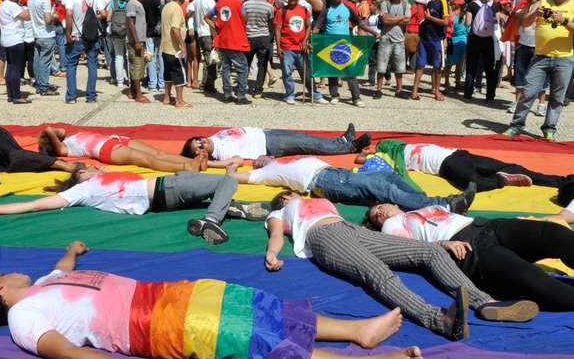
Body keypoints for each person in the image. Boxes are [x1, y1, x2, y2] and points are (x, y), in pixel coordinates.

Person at [0, 242, 425, 359]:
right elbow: (64, 354)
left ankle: (358, 330)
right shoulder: (21, 320)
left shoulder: (43, 285)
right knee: (247, 338)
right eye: (3, 274)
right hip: (147, 323)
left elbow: (62, 270)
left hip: (162, 294)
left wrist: (71, 251)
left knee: (255, 306)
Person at [264, 194, 538, 340]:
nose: (294, 193)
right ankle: (440, 320)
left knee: (430, 251)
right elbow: (277, 234)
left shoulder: (317, 200)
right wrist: (272, 254)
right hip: (325, 237)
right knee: (378, 274)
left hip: (351, 231)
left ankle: (485, 302)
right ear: (284, 199)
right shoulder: (279, 212)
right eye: (288, 193)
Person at [365, 203, 574, 310]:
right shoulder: (391, 225)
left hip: (488, 226)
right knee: (533, 277)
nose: (378, 212)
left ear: (394, 204)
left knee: (555, 234)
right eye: (375, 215)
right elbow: (406, 248)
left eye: (379, 206)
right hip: (467, 248)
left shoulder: (421, 207)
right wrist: (442, 244)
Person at [0, 166, 257, 244]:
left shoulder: (89, 188)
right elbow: (35, 205)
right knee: (228, 181)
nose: (95, 167)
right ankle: (213, 219)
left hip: (163, 199)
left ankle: (228, 209)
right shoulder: (83, 189)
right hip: (166, 186)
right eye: (88, 168)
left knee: (218, 187)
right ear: (80, 177)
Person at [226, 155, 475, 213]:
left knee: (390, 178)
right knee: (384, 190)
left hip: (334, 173)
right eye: (257, 160)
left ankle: (424, 204)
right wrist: (232, 164)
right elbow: (232, 177)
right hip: (324, 182)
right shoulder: (265, 173)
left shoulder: (282, 159)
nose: (261, 158)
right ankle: (444, 206)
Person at [356, 139, 568, 193]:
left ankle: (500, 180)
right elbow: (365, 159)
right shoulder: (403, 148)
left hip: (448, 163)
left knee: (472, 184)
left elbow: (362, 162)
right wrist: (368, 153)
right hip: (457, 154)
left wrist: (366, 154)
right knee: (510, 165)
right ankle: (560, 182)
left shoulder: (393, 155)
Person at [506, 0, 574, 141]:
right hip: (541, 57)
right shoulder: (544, 2)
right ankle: (516, 126)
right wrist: (534, 13)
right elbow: (525, 23)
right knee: (528, 92)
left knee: (557, 98)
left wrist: (563, 20)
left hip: (564, 58)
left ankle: (549, 129)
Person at [180, 124, 371, 166]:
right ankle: (349, 146)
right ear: (201, 154)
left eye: (198, 141)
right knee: (308, 143)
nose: (201, 143)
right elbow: (237, 161)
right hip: (269, 144)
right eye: (199, 148)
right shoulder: (221, 153)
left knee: (306, 137)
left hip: (266, 134)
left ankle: (342, 141)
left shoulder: (214, 137)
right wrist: (209, 163)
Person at [38, 127, 204, 173]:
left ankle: (194, 162)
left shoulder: (69, 138)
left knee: (159, 153)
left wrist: (48, 138)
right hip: (106, 150)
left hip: (115, 140)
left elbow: (59, 131)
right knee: (149, 160)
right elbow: (49, 129)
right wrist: (45, 139)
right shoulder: (64, 149)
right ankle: (186, 167)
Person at [313, 0, 374, 106]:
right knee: (333, 71)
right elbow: (317, 27)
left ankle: (356, 98)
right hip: (330, 44)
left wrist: (373, 32)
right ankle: (334, 95)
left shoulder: (348, 8)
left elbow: (360, 23)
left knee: (350, 72)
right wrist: (311, 40)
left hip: (345, 45)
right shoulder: (326, 10)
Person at [275, 0, 324, 105]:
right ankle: (289, 95)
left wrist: (305, 41)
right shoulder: (282, 11)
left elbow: (308, 27)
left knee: (307, 73)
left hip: (301, 47)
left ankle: (315, 94)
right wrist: (278, 47)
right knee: (287, 73)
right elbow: (277, 29)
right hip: (286, 47)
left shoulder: (304, 10)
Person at [205, 0, 251, 104]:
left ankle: (227, 94)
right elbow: (246, 19)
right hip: (236, 40)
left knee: (225, 67)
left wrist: (216, 27)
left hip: (223, 41)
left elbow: (206, 17)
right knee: (242, 68)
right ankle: (241, 95)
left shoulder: (219, 4)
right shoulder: (239, 3)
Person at [411, 0, 451, 101]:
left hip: (436, 39)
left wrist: (430, 18)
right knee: (420, 65)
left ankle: (437, 92)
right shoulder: (430, 1)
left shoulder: (442, 1)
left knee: (437, 66)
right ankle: (414, 91)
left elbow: (445, 22)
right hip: (425, 38)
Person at [64, 0, 100, 104]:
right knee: (92, 64)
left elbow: (68, 14)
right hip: (92, 35)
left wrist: (67, 34)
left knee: (71, 64)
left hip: (77, 36)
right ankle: (90, 96)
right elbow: (103, 14)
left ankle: (71, 96)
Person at [462, 0, 500, 101]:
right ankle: (490, 95)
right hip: (489, 39)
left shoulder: (472, 5)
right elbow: (497, 22)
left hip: (475, 38)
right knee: (490, 68)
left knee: (471, 66)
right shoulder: (494, 5)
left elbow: (467, 23)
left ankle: (468, 93)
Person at [0, 0, 31, 104]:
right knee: (16, 68)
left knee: (11, 68)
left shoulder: (3, 4)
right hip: (15, 39)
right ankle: (16, 95)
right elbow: (26, 16)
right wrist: (26, 6)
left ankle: (11, 94)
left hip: (7, 39)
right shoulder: (12, 5)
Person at [375, 0, 410, 98]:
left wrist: (392, 19)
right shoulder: (385, 3)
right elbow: (385, 20)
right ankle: (379, 89)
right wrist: (400, 18)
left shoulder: (406, 4)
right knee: (381, 67)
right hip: (386, 38)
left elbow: (407, 20)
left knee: (400, 68)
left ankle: (399, 90)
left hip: (399, 40)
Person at [242, 0, 275, 98]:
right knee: (262, 64)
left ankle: (242, 86)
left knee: (246, 63)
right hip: (263, 37)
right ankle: (258, 90)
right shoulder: (269, 7)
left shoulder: (246, 4)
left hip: (249, 37)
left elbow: (243, 21)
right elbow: (271, 24)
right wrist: (270, 37)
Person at [27, 0, 59, 96]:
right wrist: (55, 16)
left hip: (36, 33)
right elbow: (47, 19)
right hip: (46, 33)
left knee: (38, 60)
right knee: (45, 61)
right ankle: (44, 87)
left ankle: (40, 84)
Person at [160, 0, 190, 108]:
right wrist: (182, 44)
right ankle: (179, 100)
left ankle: (166, 97)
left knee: (168, 73)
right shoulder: (177, 8)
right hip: (174, 48)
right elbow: (175, 29)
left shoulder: (166, 6)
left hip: (165, 46)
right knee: (179, 73)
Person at [188, 0, 218, 93]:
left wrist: (191, 26)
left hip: (199, 33)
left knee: (207, 59)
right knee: (211, 60)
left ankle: (206, 84)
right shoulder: (210, 1)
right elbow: (214, 19)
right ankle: (207, 85)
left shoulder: (196, 0)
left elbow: (189, 11)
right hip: (208, 33)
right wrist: (215, 35)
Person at [126, 0, 150, 103]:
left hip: (139, 40)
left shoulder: (137, 3)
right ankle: (138, 95)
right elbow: (131, 23)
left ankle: (132, 92)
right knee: (136, 66)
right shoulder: (132, 4)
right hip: (135, 41)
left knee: (139, 66)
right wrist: (136, 41)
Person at [142, 0, 165, 92]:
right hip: (160, 32)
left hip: (148, 31)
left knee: (150, 57)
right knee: (160, 57)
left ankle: (152, 84)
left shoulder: (143, 0)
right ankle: (161, 84)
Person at [106, 0, 129, 87]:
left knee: (118, 56)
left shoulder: (112, 3)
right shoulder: (129, 2)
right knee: (128, 56)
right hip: (128, 32)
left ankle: (119, 81)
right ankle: (130, 79)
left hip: (116, 33)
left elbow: (108, 18)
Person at [443, 0, 468, 90]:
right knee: (459, 64)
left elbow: (448, 30)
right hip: (463, 42)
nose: (451, 5)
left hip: (452, 41)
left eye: (453, 4)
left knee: (449, 63)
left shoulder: (451, 16)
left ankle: (446, 81)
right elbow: (468, 30)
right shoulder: (465, 16)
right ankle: (457, 83)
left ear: (456, 5)